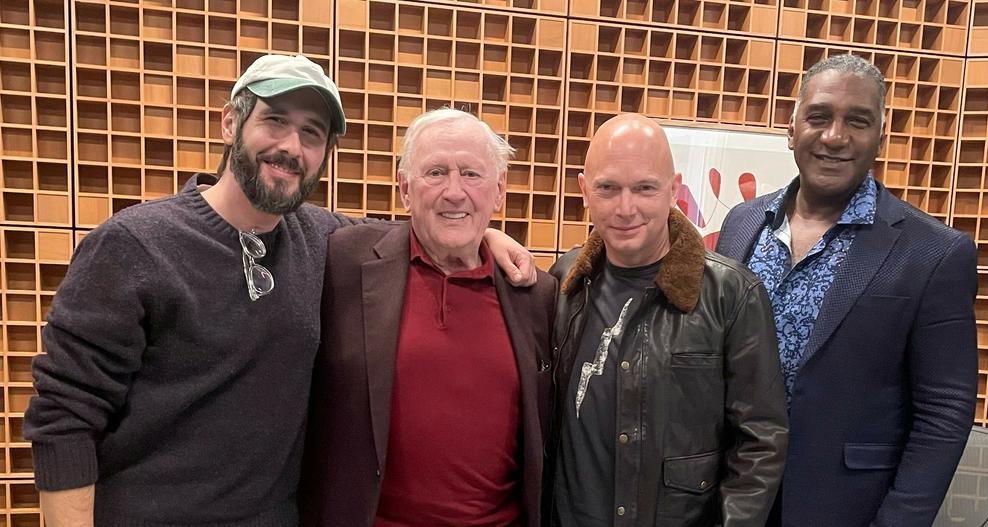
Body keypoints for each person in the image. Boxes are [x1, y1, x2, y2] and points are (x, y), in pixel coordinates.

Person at [24, 54, 535, 525]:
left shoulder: (327, 242)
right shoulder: (135, 244)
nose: (291, 148)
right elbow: (64, 418)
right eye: (274, 121)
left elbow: (424, 226)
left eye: (311, 134)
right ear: (230, 122)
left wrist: (482, 232)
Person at [715, 54, 979, 527]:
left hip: (846, 506)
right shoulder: (742, 223)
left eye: (857, 121)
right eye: (819, 117)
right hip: (733, 497)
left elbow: (944, 413)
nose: (835, 137)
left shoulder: (935, 253)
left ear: (881, 133)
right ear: (791, 127)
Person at [298, 108, 558, 527]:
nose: (454, 191)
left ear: (499, 190)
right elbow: (270, 215)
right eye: (435, 173)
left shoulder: (535, 294)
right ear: (405, 189)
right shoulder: (345, 259)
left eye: (472, 174)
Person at [548, 113, 787, 527]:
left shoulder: (731, 294)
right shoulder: (563, 284)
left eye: (644, 188)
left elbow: (760, 442)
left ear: (673, 190)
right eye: (608, 188)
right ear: (584, 190)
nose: (626, 208)